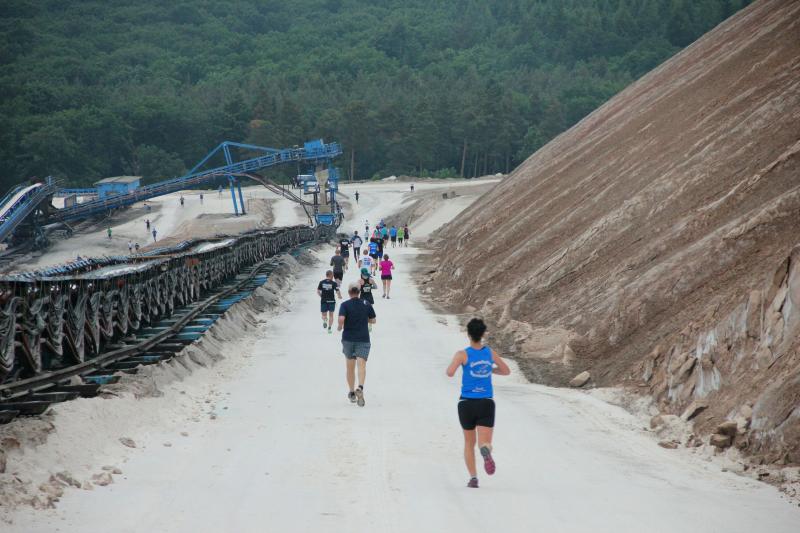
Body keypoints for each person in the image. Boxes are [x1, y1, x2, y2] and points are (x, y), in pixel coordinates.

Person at [446, 318, 511, 489]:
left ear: (468, 334)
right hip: (485, 403)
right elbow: (506, 371)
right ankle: (486, 450)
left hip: (466, 403)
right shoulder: (489, 353)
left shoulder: (462, 354)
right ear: (483, 334)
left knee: (469, 443)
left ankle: (473, 478)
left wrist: (462, 366)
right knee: (484, 442)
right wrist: (489, 369)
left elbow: (450, 372)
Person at [338, 283, 376, 407]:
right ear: (359, 292)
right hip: (363, 339)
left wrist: (340, 326)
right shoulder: (366, 303)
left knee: (350, 367)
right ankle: (360, 387)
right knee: (361, 365)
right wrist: (365, 319)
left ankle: (351, 392)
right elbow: (373, 320)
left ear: (349, 292)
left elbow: (341, 319)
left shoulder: (345, 305)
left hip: (348, 339)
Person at [317, 270, 342, 334]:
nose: (333, 276)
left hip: (324, 301)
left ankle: (325, 320)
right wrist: (339, 296)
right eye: (332, 275)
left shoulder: (321, 282)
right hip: (331, 301)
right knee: (331, 315)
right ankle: (329, 328)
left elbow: (318, 291)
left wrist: (321, 296)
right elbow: (337, 291)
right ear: (330, 275)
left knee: (323, 315)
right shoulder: (334, 283)